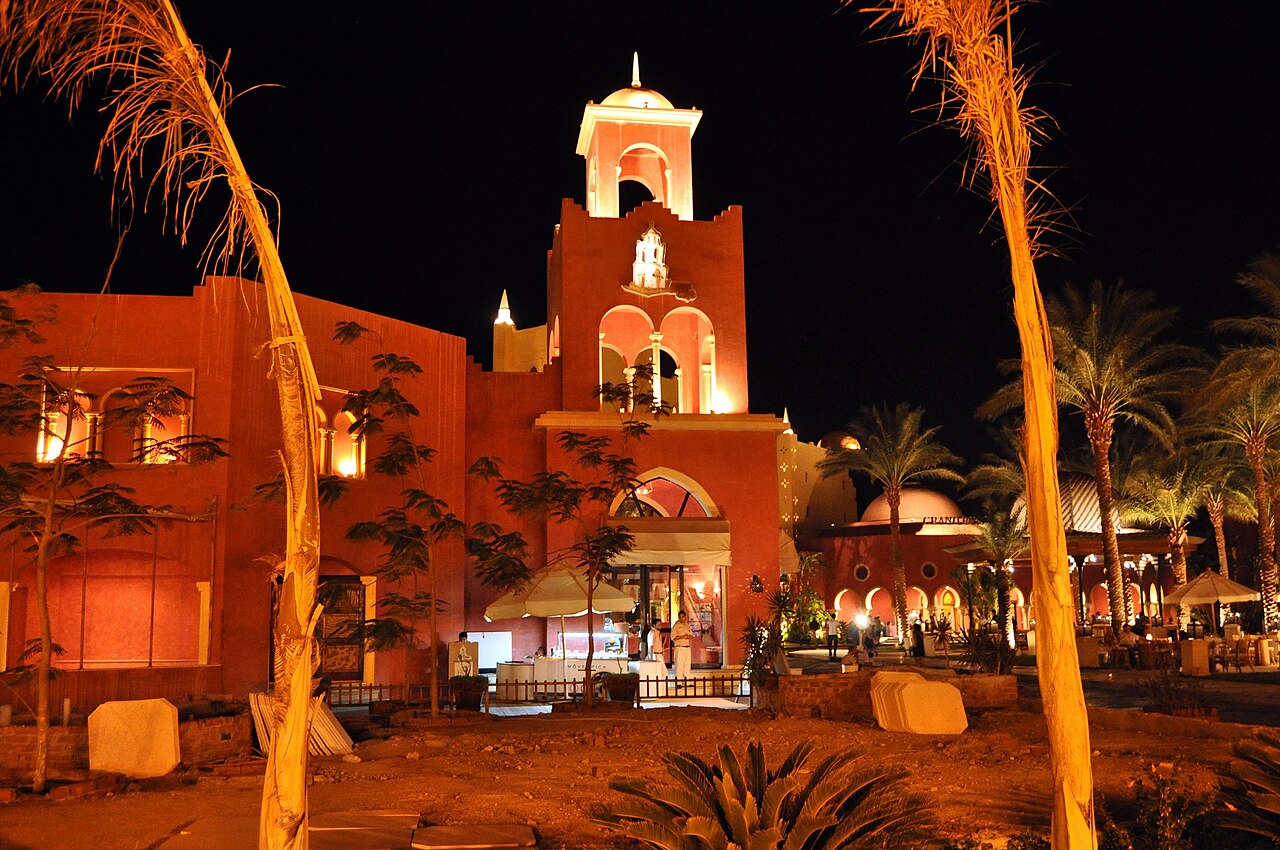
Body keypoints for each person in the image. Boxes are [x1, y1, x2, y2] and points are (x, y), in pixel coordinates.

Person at [671, 609, 694, 684]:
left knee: (687, 665)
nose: (682, 618)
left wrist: (688, 636)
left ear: (685, 617)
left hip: (687, 647)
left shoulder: (687, 625)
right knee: (679, 665)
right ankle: (679, 682)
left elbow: (692, 635)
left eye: (683, 617)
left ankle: (687, 681)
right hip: (680, 647)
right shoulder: (676, 626)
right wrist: (682, 637)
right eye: (680, 617)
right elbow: (673, 637)